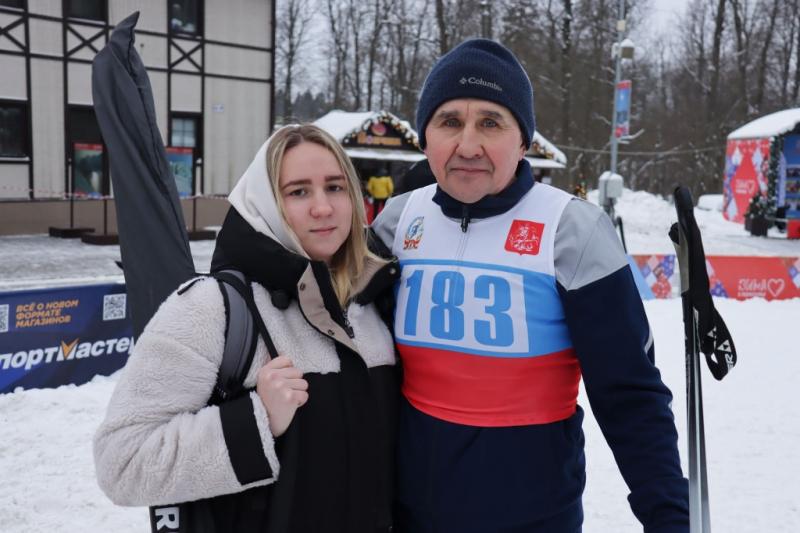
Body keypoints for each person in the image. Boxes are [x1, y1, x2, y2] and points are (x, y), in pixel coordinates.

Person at [373, 39, 689, 532]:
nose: (468, 145)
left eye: (491, 123)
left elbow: (630, 395)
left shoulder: (571, 229)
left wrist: (669, 516)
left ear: (524, 142)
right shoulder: (396, 222)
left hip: (535, 518)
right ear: (425, 138)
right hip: (409, 514)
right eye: (449, 121)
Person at [94, 124, 400, 532]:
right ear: (265, 203)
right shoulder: (212, 309)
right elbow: (123, 462)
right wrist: (257, 422)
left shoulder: (377, 304)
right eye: (298, 192)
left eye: (335, 187)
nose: (323, 207)